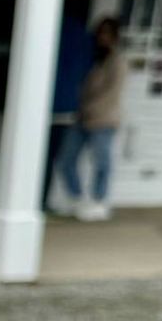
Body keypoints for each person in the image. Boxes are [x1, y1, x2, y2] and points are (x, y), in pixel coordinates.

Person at [56, 18, 125, 221]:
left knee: (102, 161)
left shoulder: (117, 62)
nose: (103, 38)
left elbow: (112, 93)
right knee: (66, 160)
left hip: (103, 120)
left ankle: (99, 200)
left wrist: (87, 108)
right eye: (100, 33)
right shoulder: (89, 58)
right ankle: (75, 198)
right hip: (80, 118)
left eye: (107, 33)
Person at [44, 11, 93, 210]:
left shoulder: (46, 26)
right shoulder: (82, 37)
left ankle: (37, 200)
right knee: (51, 158)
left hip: (47, 108)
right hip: (67, 109)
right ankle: (42, 201)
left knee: (42, 159)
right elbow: (85, 71)